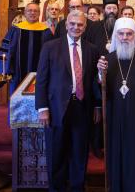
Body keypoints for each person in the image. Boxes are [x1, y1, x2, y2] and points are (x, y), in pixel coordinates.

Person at [35, 10, 100, 191]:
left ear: (85, 27)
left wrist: (97, 105)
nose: (76, 27)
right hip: (56, 107)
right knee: (57, 151)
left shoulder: (92, 49)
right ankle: (56, 188)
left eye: (80, 25)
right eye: (72, 24)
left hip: (82, 106)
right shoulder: (50, 47)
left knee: (80, 152)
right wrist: (42, 108)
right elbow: (41, 80)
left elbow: (94, 80)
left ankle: (78, 187)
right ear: (66, 25)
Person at [96, 17, 135, 192]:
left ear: (134, 36)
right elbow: (101, 88)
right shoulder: (108, 59)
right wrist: (100, 74)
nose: (124, 37)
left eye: (129, 34)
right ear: (116, 36)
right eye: (120, 34)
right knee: (116, 153)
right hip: (115, 115)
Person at [0, 2, 50, 95]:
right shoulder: (16, 29)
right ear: (25, 12)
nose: (32, 13)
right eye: (30, 10)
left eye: (35, 11)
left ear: (39, 13)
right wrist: (5, 69)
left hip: (40, 73)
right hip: (17, 72)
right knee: (17, 96)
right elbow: (6, 49)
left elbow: (51, 53)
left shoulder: (46, 31)